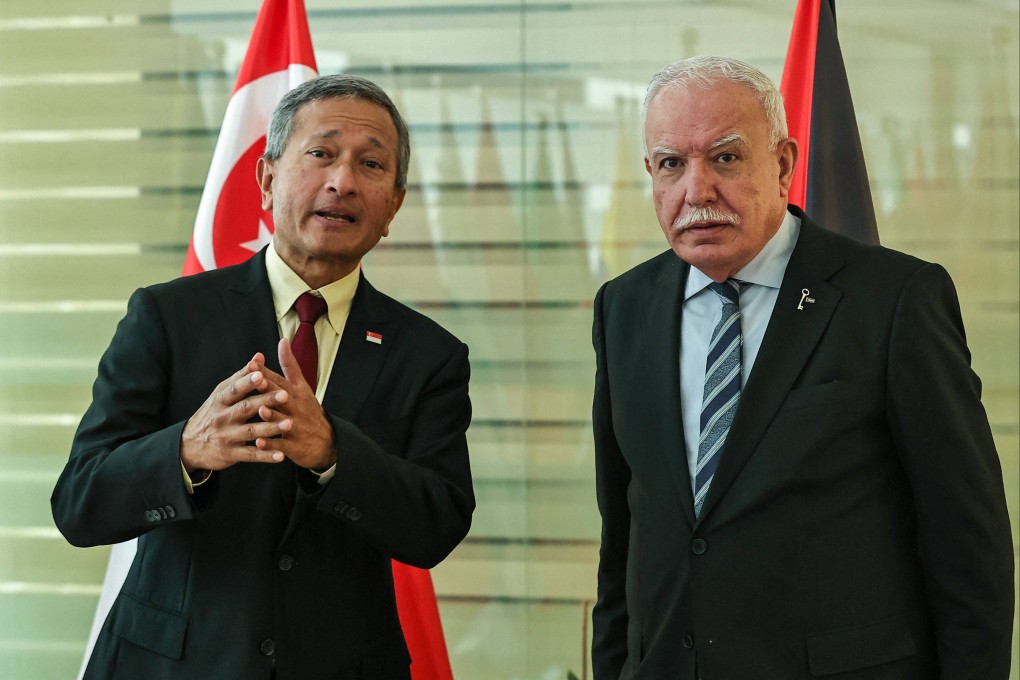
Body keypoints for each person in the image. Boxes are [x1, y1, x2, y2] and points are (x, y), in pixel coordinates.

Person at [591, 56, 1014, 679]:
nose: (696, 190)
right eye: (672, 164)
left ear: (784, 163)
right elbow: (623, 539)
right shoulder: (623, 308)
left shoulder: (893, 300)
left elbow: (967, 546)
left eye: (726, 158)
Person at [51, 74, 474, 680]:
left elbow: (437, 526)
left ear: (395, 204)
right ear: (268, 179)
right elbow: (79, 503)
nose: (343, 181)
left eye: (371, 164)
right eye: (321, 153)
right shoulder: (169, 317)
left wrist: (332, 452)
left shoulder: (428, 354)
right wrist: (186, 452)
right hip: (172, 663)